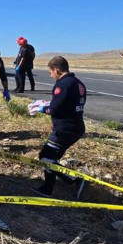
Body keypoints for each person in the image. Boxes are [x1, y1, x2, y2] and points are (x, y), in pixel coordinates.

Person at [30, 56, 87, 197]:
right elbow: (67, 103)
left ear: (56, 70)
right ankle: (48, 188)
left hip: (65, 129)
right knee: (51, 157)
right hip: (76, 126)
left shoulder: (63, 84)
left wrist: (41, 108)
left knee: (45, 157)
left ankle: (75, 179)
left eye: (50, 72)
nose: (51, 75)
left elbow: (55, 109)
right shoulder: (78, 83)